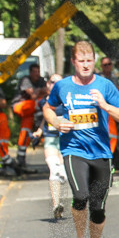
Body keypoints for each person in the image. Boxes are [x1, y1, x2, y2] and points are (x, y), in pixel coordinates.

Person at [43, 41, 119, 238]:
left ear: (94, 61)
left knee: (98, 207)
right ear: (73, 62)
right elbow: (48, 108)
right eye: (81, 61)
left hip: (101, 152)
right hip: (74, 150)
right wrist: (56, 122)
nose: (85, 65)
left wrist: (105, 105)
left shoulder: (105, 85)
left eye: (89, 61)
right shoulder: (62, 86)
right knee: (80, 195)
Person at [36, 74, 68, 219]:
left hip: (65, 138)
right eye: (52, 82)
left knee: (63, 172)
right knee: (53, 169)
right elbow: (45, 116)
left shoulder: (68, 99)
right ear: (47, 84)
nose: (54, 84)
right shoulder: (45, 101)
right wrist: (39, 131)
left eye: (58, 82)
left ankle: (76, 203)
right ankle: (56, 205)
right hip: (50, 138)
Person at [14, 63, 47, 170]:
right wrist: (39, 92)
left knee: (25, 131)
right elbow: (33, 96)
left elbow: (47, 91)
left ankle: (21, 157)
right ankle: (21, 157)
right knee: (36, 103)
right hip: (23, 106)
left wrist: (39, 92)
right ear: (30, 72)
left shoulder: (41, 80)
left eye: (38, 71)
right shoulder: (26, 80)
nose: (37, 74)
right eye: (35, 72)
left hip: (31, 113)